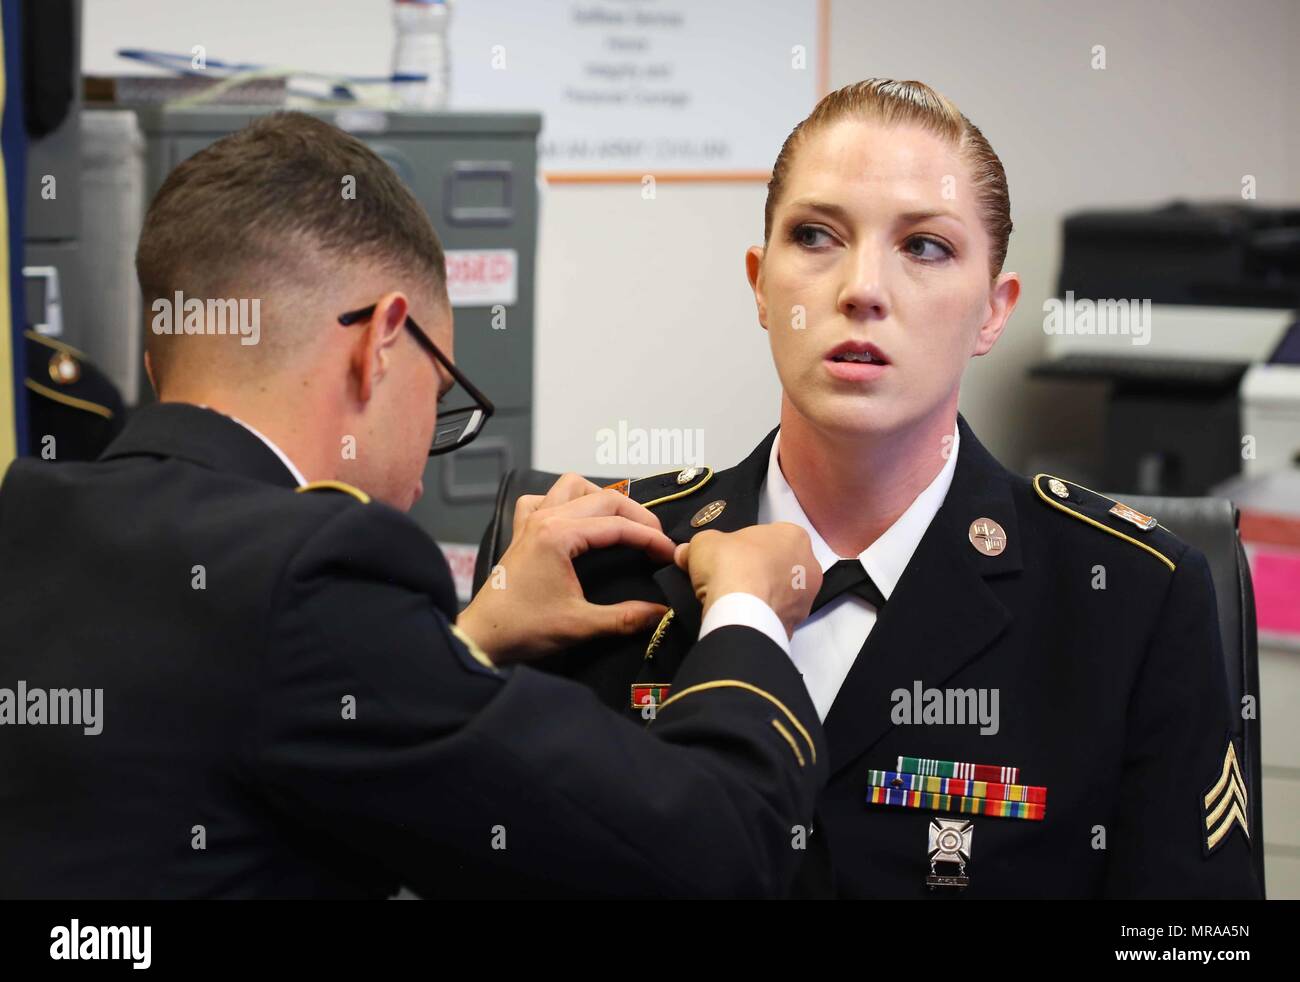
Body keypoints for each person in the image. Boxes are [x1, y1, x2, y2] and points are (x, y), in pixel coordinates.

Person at [0, 112, 827, 898]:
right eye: (439, 401)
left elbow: (245, 719)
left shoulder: (31, 513)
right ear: (379, 343)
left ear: (158, 359)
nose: (424, 481)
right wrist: (750, 613)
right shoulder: (313, 576)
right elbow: (708, 855)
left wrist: (466, 640)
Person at [538, 79, 1261, 898]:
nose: (862, 288)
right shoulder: (611, 560)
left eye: (924, 247)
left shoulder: (1127, 597)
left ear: (993, 310)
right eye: (815, 235)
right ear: (760, 286)